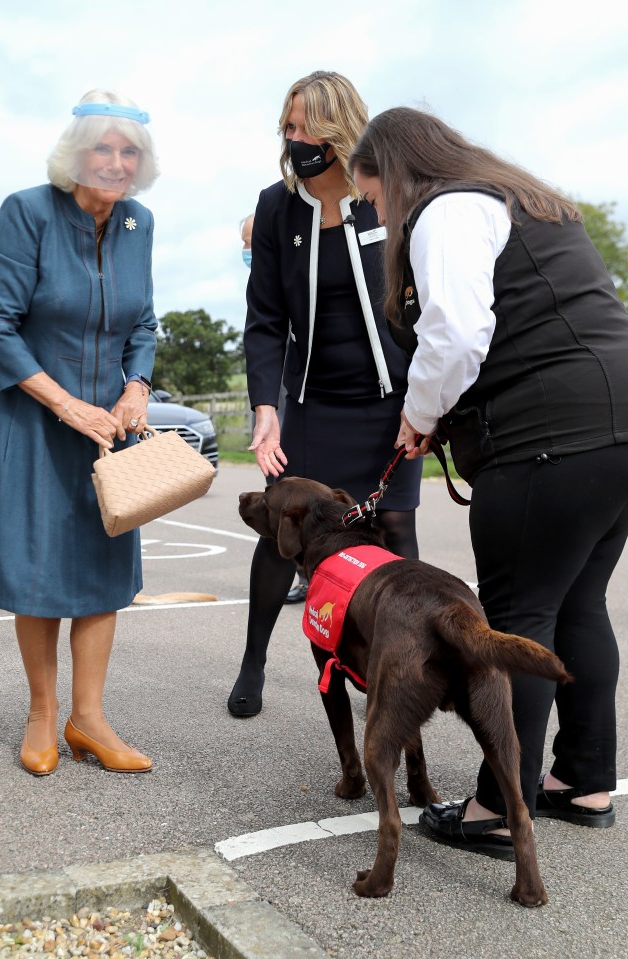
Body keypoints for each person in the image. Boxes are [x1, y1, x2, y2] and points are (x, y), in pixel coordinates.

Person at [349, 106, 628, 852]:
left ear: (397, 172)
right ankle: (585, 779)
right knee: (577, 602)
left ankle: (498, 806)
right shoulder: (524, 198)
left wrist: (419, 412)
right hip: (616, 423)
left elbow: (459, 330)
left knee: (514, 620)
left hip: (546, 434)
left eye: (372, 196)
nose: (377, 212)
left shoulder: (449, 209)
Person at [0, 89, 160, 777]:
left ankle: (90, 720)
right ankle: (41, 713)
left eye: (129, 152)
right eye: (103, 149)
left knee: (105, 567)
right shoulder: (26, 211)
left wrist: (136, 384)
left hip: (107, 423)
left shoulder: (140, 224)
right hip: (34, 412)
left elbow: (142, 322)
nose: (116, 163)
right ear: (76, 153)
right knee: (39, 569)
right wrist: (67, 405)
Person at [228, 72, 422, 718]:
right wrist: (266, 406)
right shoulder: (277, 208)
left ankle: (405, 666)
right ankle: (253, 660)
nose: (295, 139)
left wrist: (430, 401)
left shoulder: (386, 197)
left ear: (341, 130)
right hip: (312, 404)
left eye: (307, 126)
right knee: (281, 534)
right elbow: (264, 321)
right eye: (288, 127)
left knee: (395, 529)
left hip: (390, 405)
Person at [240, 212, 309, 605]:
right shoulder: (258, 287)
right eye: (245, 244)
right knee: (277, 493)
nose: (247, 250)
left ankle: (305, 571)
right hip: (270, 400)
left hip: (295, 396)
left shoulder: (290, 278)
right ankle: (297, 571)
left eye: (251, 241)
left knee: (292, 495)